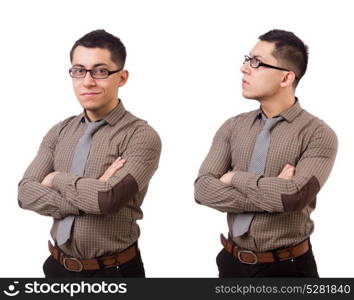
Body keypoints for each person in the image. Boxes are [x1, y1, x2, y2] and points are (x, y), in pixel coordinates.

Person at [18, 29, 161, 278]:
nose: (87, 81)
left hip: (114, 272)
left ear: (122, 77)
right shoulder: (59, 131)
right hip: (56, 268)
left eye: (101, 71)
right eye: (78, 70)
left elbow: (109, 199)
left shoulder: (141, 136)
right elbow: (25, 194)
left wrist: (55, 180)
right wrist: (92, 192)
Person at [194, 29, 338, 277]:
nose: (244, 68)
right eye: (247, 59)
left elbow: (294, 197)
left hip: (288, 268)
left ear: (286, 78)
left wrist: (235, 178)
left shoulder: (318, 134)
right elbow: (202, 190)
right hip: (231, 263)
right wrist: (272, 193)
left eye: (257, 63)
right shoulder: (232, 127)